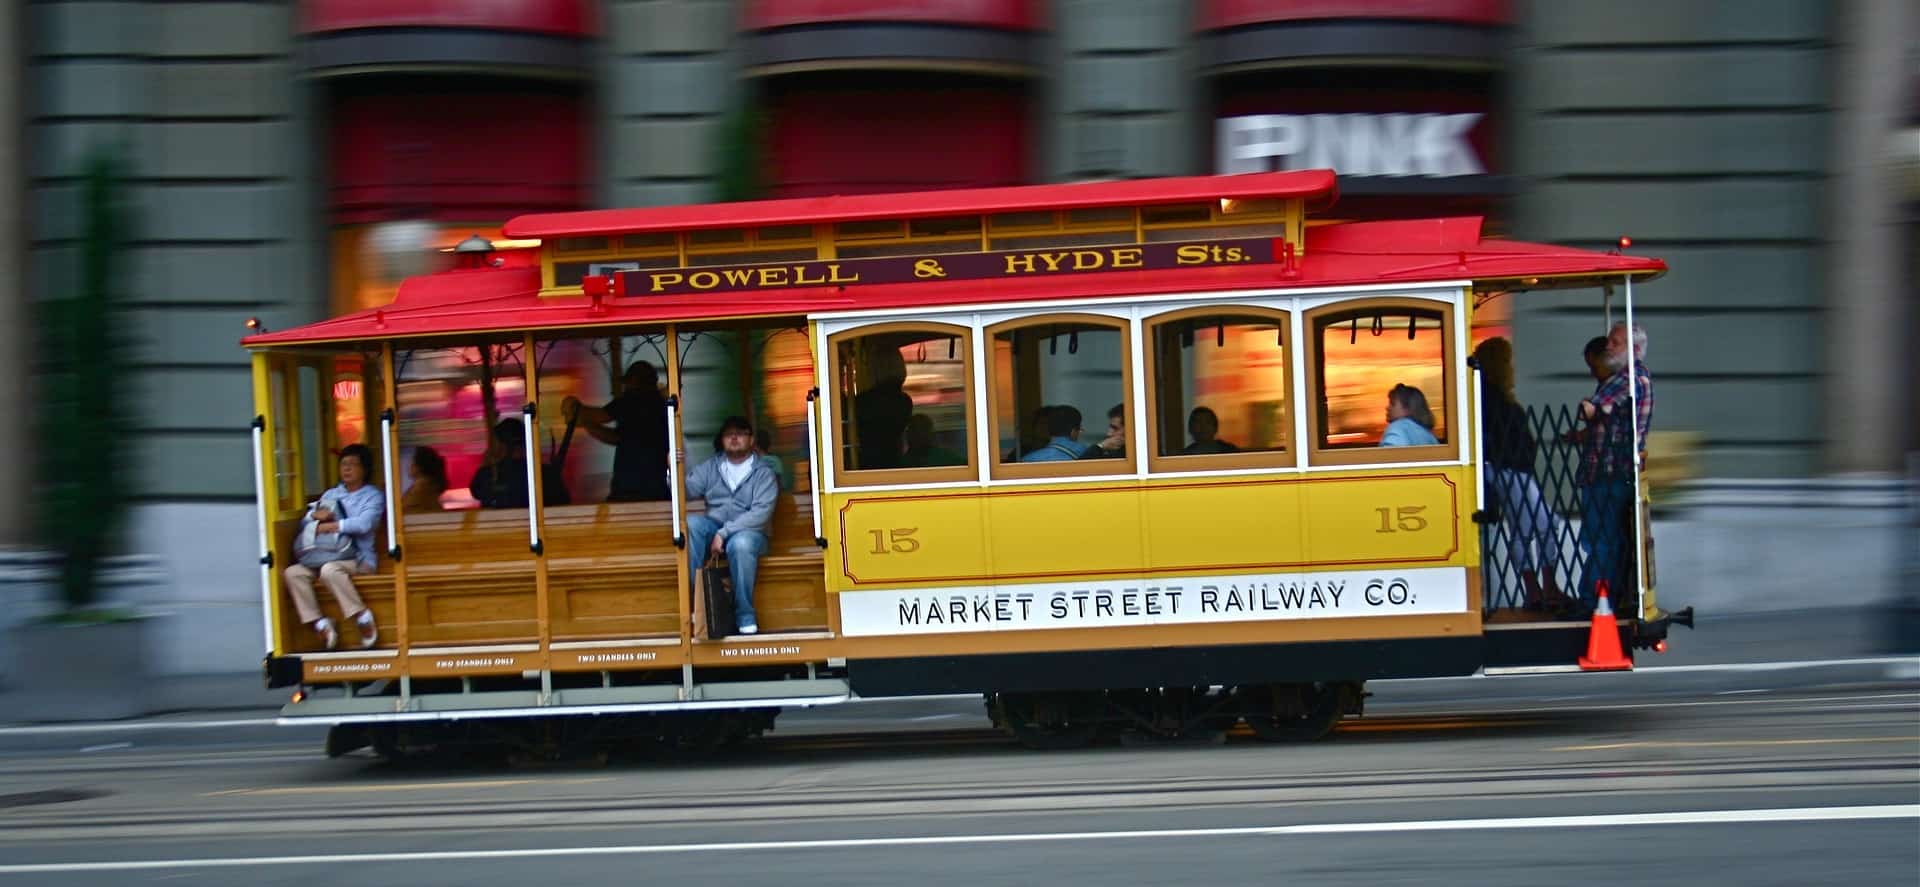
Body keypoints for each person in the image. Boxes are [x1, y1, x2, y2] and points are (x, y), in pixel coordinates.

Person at [1474, 338, 1564, 611]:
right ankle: (1542, 587)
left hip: (1511, 469)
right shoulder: (1492, 397)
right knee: (1543, 525)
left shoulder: (1491, 394)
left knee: (1527, 527)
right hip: (1508, 469)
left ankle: (1539, 588)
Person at [1576, 322, 1653, 607]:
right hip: (1612, 471)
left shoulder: (1628, 379)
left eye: (1615, 342)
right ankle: (1604, 596)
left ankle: (1594, 600)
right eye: (1609, 340)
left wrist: (1587, 408)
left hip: (1608, 474)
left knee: (1601, 540)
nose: (1608, 345)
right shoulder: (1630, 378)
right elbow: (1613, 421)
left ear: (1634, 350)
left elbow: (1597, 409)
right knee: (1608, 540)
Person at [685, 416, 780, 635]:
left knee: (741, 543)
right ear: (722, 440)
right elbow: (685, 491)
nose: (734, 437)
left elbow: (760, 514)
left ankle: (744, 614)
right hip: (715, 527)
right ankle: (697, 606)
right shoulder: (711, 467)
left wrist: (724, 532)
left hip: (752, 534)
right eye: (729, 434)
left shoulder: (763, 472)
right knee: (692, 524)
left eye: (741, 433)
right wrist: (673, 469)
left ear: (751, 439)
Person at [284, 444, 385, 650]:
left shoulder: (373, 495)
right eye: (343, 464)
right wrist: (313, 516)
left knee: (330, 570)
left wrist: (331, 526)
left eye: (353, 464)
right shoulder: (332, 494)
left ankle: (362, 616)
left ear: (364, 469)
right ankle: (321, 623)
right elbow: (305, 524)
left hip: (356, 558)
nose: (347, 469)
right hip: (321, 555)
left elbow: (365, 523)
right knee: (292, 573)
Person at [563, 361, 669, 501]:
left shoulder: (632, 400)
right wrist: (587, 424)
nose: (626, 387)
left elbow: (601, 416)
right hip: (654, 487)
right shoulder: (660, 405)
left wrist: (577, 410)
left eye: (628, 383)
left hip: (629, 487)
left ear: (635, 382)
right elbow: (617, 437)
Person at [469, 418, 571, 509]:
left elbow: (476, 491)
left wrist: (486, 461)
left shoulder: (488, 475)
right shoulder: (545, 473)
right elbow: (563, 503)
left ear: (501, 445)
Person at [853, 344, 913, 470]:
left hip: (867, 467)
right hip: (894, 464)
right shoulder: (904, 402)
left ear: (876, 368)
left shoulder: (862, 402)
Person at [1020, 405, 1090, 462]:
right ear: (1073, 432)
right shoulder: (1089, 456)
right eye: (1079, 430)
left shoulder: (1028, 460)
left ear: (1049, 429)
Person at [400, 445, 448, 513]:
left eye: (412, 460)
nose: (409, 465)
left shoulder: (421, 488)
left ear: (418, 466)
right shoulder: (429, 486)